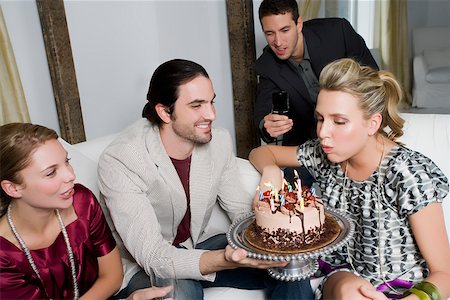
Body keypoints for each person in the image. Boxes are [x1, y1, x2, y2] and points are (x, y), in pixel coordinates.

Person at [97, 59, 313, 300]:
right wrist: (224, 260)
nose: (211, 114)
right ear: (165, 112)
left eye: (211, 102)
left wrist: (267, 241)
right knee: (180, 296)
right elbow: (154, 256)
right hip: (147, 264)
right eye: (196, 105)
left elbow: (241, 212)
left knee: (290, 266)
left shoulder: (218, 142)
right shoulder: (122, 159)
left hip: (198, 245)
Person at [249, 58, 450, 299]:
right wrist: (273, 171)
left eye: (339, 121)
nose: (323, 132)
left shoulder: (407, 173)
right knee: (350, 293)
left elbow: (444, 272)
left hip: (406, 290)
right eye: (321, 118)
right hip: (343, 279)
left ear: (373, 124)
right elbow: (261, 152)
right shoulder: (323, 154)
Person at [0, 123, 173, 300]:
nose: (70, 175)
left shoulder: (82, 201)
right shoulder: (4, 254)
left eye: (66, 162)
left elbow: (112, 277)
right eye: (51, 173)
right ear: (13, 188)